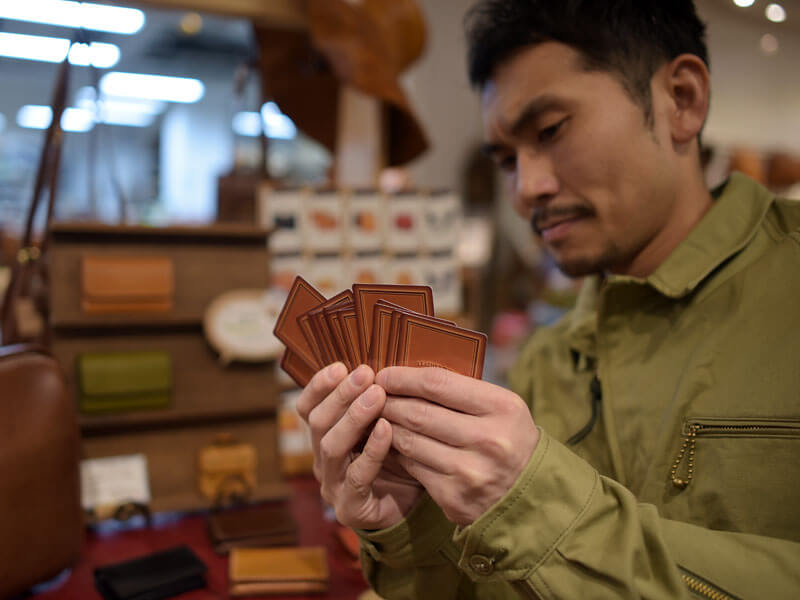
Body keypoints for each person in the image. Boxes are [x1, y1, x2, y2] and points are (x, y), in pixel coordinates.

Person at [296, 1, 800, 597]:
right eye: (507, 160)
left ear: (681, 99)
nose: (527, 189)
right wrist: (407, 526)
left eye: (552, 130)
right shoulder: (543, 360)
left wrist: (542, 512)